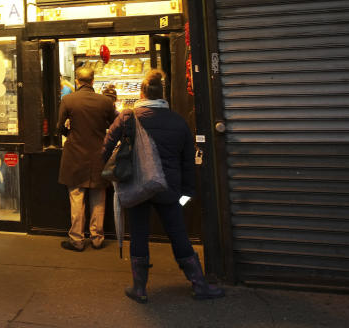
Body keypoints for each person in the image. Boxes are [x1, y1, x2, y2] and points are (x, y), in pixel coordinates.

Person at [101, 69, 224, 303]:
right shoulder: (178, 121)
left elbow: (105, 149)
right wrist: (186, 193)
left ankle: (140, 288)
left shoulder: (128, 117)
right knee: (178, 235)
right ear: (162, 93)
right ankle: (199, 285)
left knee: (138, 234)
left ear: (142, 92)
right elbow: (188, 161)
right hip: (168, 188)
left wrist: (112, 173)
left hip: (137, 186)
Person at [57, 66, 116, 251]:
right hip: (99, 154)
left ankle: (77, 239)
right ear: (93, 81)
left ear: (77, 81)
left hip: (75, 154)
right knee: (98, 197)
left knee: (76, 197)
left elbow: (59, 127)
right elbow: (116, 124)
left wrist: (70, 133)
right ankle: (97, 238)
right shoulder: (105, 102)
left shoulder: (68, 100)